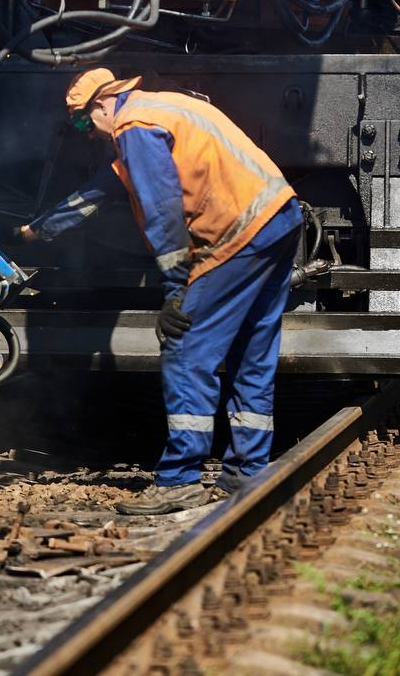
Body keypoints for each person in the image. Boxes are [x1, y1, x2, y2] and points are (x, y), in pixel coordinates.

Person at [21, 68, 301, 514]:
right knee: (252, 350)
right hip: (279, 216)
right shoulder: (161, 107)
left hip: (237, 231)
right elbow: (103, 188)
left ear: (100, 105)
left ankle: (180, 480)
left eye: (80, 123)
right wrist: (39, 230)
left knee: (184, 345)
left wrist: (175, 291)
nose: (86, 134)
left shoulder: (134, 127)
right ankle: (249, 472)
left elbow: (163, 210)